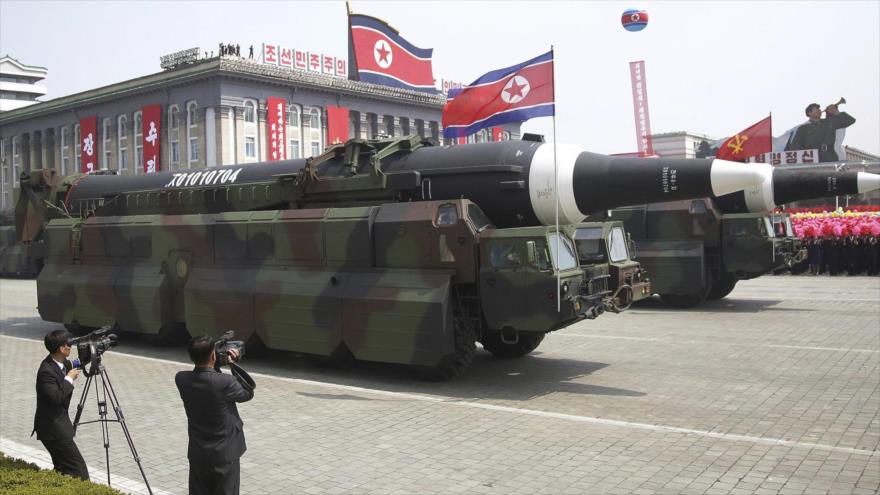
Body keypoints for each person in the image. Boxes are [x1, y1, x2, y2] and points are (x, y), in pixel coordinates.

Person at [176, 335, 254, 495]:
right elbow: (247, 393)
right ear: (213, 356)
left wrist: (214, 363)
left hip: (198, 453)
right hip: (225, 455)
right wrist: (232, 363)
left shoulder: (181, 378)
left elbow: (210, 378)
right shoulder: (226, 382)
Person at [32, 329, 90, 480]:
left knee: (63, 469)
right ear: (62, 349)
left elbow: (78, 363)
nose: (71, 346)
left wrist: (95, 351)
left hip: (57, 426)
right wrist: (69, 379)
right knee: (79, 470)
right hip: (52, 429)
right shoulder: (46, 371)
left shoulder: (61, 362)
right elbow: (56, 398)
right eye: (69, 344)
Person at [785, 102, 855, 162]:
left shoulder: (829, 122)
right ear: (809, 113)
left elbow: (850, 120)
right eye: (816, 109)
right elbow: (795, 148)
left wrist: (836, 112)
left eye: (819, 109)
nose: (819, 110)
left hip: (830, 158)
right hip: (812, 160)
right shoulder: (803, 129)